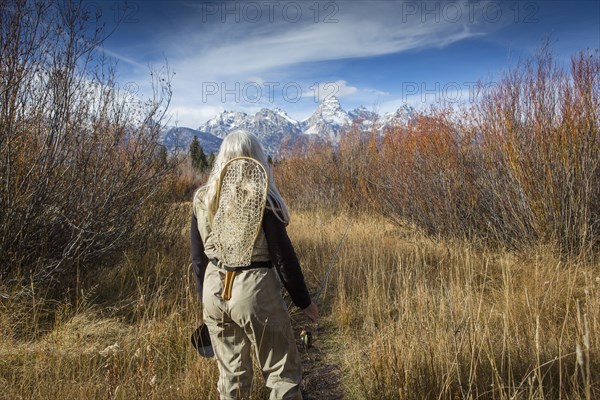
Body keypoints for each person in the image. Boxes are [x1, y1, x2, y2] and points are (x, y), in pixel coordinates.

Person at [190, 129, 318, 400]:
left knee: (231, 379)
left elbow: (198, 259)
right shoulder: (264, 199)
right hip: (253, 288)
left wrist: (204, 301)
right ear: (256, 158)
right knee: (281, 373)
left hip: (213, 290)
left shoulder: (202, 198)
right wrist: (304, 302)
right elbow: (283, 258)